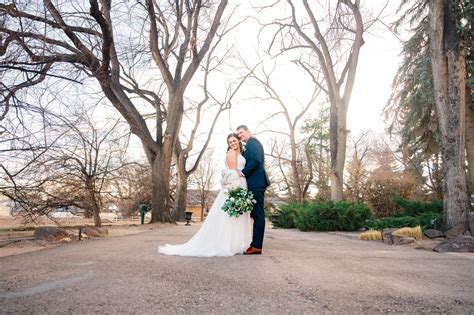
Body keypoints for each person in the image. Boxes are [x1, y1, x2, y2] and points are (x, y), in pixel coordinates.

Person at [158, 133, 251, 257]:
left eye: (234, 141)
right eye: (230, 142)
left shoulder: (240, 153)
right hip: (235, 185)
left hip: (241, 184)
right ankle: (229, 244)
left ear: (239, 141)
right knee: (231, 215)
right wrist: (236, 191)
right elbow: (233, 173)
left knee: (236, 215)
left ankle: (236, 243)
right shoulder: (231, 153)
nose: (232, 143)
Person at [236, 125, 270, 255]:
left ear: (248, 131)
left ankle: (256, 246)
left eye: (241, 132)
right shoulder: (249, 144)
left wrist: (243, 172)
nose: (240, 135)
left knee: (258, 215)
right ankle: (255, 245)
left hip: (256, 183)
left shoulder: (253, 142)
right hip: (255, 183)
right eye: (238, 134)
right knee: (255, 215)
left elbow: (255, 161)